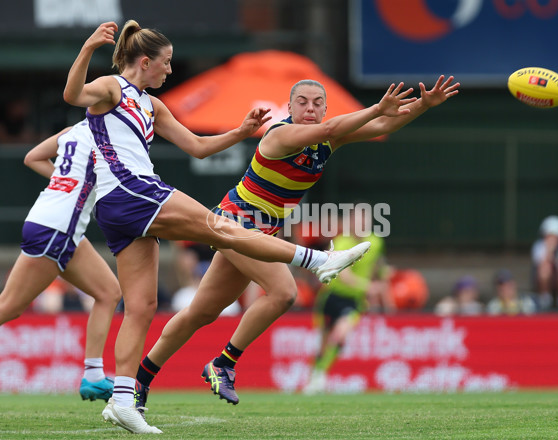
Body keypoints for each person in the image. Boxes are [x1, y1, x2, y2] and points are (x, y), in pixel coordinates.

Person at [64, 21, 381, 434]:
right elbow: (72, 95)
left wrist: (240, 132)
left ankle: (127, 396)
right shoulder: (111, 87)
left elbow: (196, 147)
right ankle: (317, 261)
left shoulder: (152, 106)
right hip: (134, 192)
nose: (170, 70)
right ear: (145, 62)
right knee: (224, 232)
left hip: (130, 208)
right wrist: (88, 47)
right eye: (167, 63)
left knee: (149, 308)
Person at [132, 70, 459, 411]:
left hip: (261, 232)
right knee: (284, 292)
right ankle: (224, 364)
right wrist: (377, 107)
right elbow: (340, 126)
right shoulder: (280, 134)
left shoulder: (328, 140)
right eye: (301, 102)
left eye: (318, 104)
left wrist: (425, 103)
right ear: (288, 107)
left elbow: (385, 127)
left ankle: (139, 381)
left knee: (200, 312)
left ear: (324, 109)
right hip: (235, 222)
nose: (309, 108)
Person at [0, 121, 122, 402]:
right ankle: (93, 377)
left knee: (109, 292)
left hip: (51, 220)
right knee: (9, 307)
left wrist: (68, 185)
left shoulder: (76, 128)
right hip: (59, 228)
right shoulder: (113, 134)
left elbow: (32, 157)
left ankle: (93, 377)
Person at [303, 206, 391, 395]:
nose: (362, 224)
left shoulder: (375, 242)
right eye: (358, 220)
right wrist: (368, 286)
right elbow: (344, 275)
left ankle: (321, 376)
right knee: (324, 342)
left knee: (340, 335)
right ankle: (315, 375)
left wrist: (383, 284)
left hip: (354, 301)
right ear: (350, 222)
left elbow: (378, 265)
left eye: (365, 220)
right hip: (331, 297)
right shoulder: (341, 242)